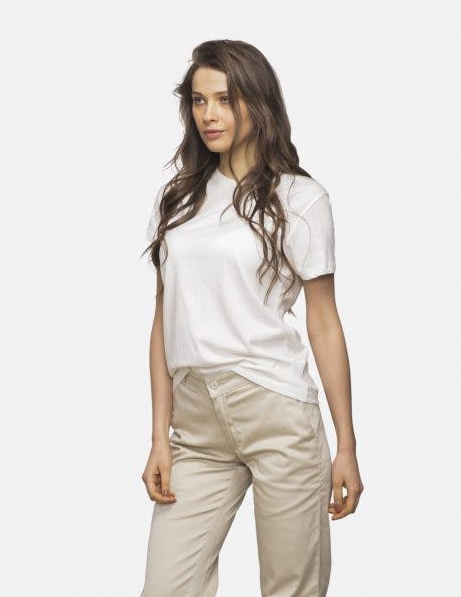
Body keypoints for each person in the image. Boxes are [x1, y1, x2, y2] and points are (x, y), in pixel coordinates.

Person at [139, 39, 364, 597]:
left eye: (224, 99)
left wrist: (346, 445)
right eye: (198, 100)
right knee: (166, 587)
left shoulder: (300, 198)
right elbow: (164, 320)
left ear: (256, 103)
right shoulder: (178, 200)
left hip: (275, 410)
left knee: (290, 588)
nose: (208, 115)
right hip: (196, 425)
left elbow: (324, 323)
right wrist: (159, 436)